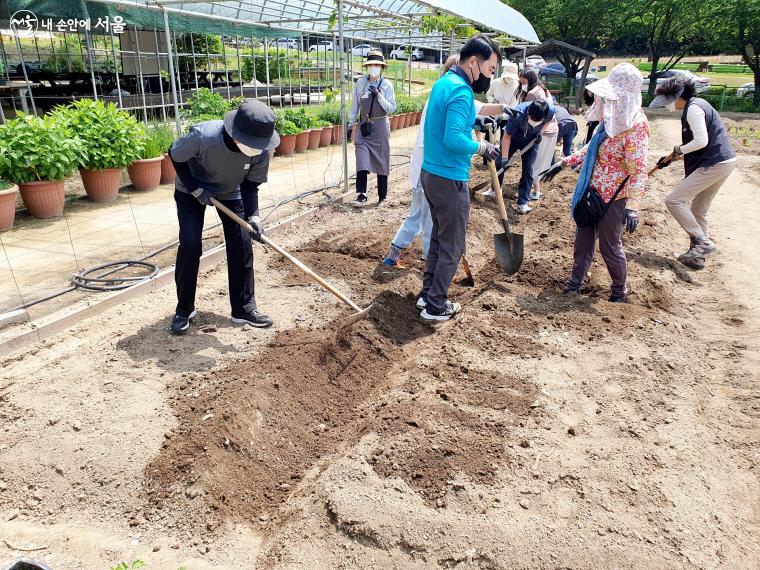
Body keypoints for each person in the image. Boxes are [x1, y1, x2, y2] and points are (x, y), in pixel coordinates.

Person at [382, 55, 513, 268]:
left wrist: (501, 109)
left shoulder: (442, 91)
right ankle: (429, 264)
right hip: (433, 167)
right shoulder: (450, 92)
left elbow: (476, 107)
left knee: (418, 216)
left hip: (427, 168)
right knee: (430, 222)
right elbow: (455, 130)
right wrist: (481, 144)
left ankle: (394, 253)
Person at [540, 63, 649, 303]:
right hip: (592, 192)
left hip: (615, 199)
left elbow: (639, 170)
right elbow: (591, 149)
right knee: (582, 243)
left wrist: (633, 207)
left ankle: (619, 292)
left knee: (610, 247)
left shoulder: (635, 126)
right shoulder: (609, 120)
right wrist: (563, 163)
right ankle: (573, 286)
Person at [168, 100, 277, 334]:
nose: (258, 148)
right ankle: (184, 308)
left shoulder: (261, 150)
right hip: (191, 191)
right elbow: (175, 154)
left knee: (242, 243)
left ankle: (243, 308)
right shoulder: (203, 136)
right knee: (190, 245)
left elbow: (250, 186)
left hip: (230, 191)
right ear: (236, 135)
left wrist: (254, 217)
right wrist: (195, 188)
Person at [417, 34, 502, 321]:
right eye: (490, 70)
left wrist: (475, 121)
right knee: (452, 245)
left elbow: (449, 123)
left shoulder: (443, 84)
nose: (490, 77)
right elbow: (453, 138)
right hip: (449, 178)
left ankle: (427, 294)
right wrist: (483, 146)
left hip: (431, 174)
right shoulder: (462, 92)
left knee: (440, 240)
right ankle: (436, 306)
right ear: (474, 62)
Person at [649, 76, 737, 270]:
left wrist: (679, 149)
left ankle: (701, 241)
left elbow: (701, 141)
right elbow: (700, 144)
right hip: (723, 161)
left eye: (668, 102)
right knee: (699, 210)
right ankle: (697, 258)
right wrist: (676, 156)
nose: (668, 107)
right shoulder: (698, 105)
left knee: (674, 200)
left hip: (715, 163)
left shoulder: (694, 109)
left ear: (679, 96)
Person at [347, 51, 397, 207]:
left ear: (381, 68)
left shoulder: (387, 85)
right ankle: (361, 194)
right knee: (361, 158)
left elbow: (391, 108)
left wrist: (379, 96)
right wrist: (350, 124)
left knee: (382, 160)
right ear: (367, 67)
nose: (373, 68)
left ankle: (383, 196)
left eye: (377, 65)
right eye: (371, 65)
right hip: (364, 127)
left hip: (380, 126)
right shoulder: (361, 83)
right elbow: (355, 105)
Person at [498, 100, 555, 214]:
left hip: (531, 141)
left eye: (538, 121)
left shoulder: (549, 111)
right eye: (533, 119)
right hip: (513, 139)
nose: (534, 122)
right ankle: (494, 189)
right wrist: (505, 158)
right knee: (499, 164)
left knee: (528, 171)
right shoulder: (517, 113)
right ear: (528, 112)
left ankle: (523, 203)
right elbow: (507, 136)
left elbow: (549, 120)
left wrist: (541, 132)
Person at [517, 70, 559, 201]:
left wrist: (538, 132)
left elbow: (527, 114)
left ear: (530, 80)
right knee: (542, 162)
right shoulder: (543, 89)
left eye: (524, 82)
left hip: (543, 131)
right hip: (552, 130)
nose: (522, 84)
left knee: (534, 163)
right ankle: (536, 190)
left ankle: (534, 191)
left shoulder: (532, 93)